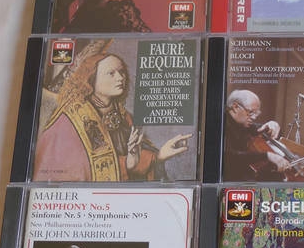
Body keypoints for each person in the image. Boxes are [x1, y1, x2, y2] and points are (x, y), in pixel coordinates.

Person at [33, 51, 192, 181]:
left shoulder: (124, 116)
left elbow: (132, 164)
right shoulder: (69, 121)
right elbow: (73, 172)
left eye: (121, 72)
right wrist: (127, 164)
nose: (120, 78)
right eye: (111, 73)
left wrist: (159, 156)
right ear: (91, 79)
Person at [223, 89, 290, 181]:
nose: (254, 117)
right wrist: (267, 156)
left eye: (256, 113)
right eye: (250, 112)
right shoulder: (221, 124)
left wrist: (272, 125)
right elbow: (229, 156)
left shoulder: (242, 124)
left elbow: (259, 129)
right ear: (235, 107)